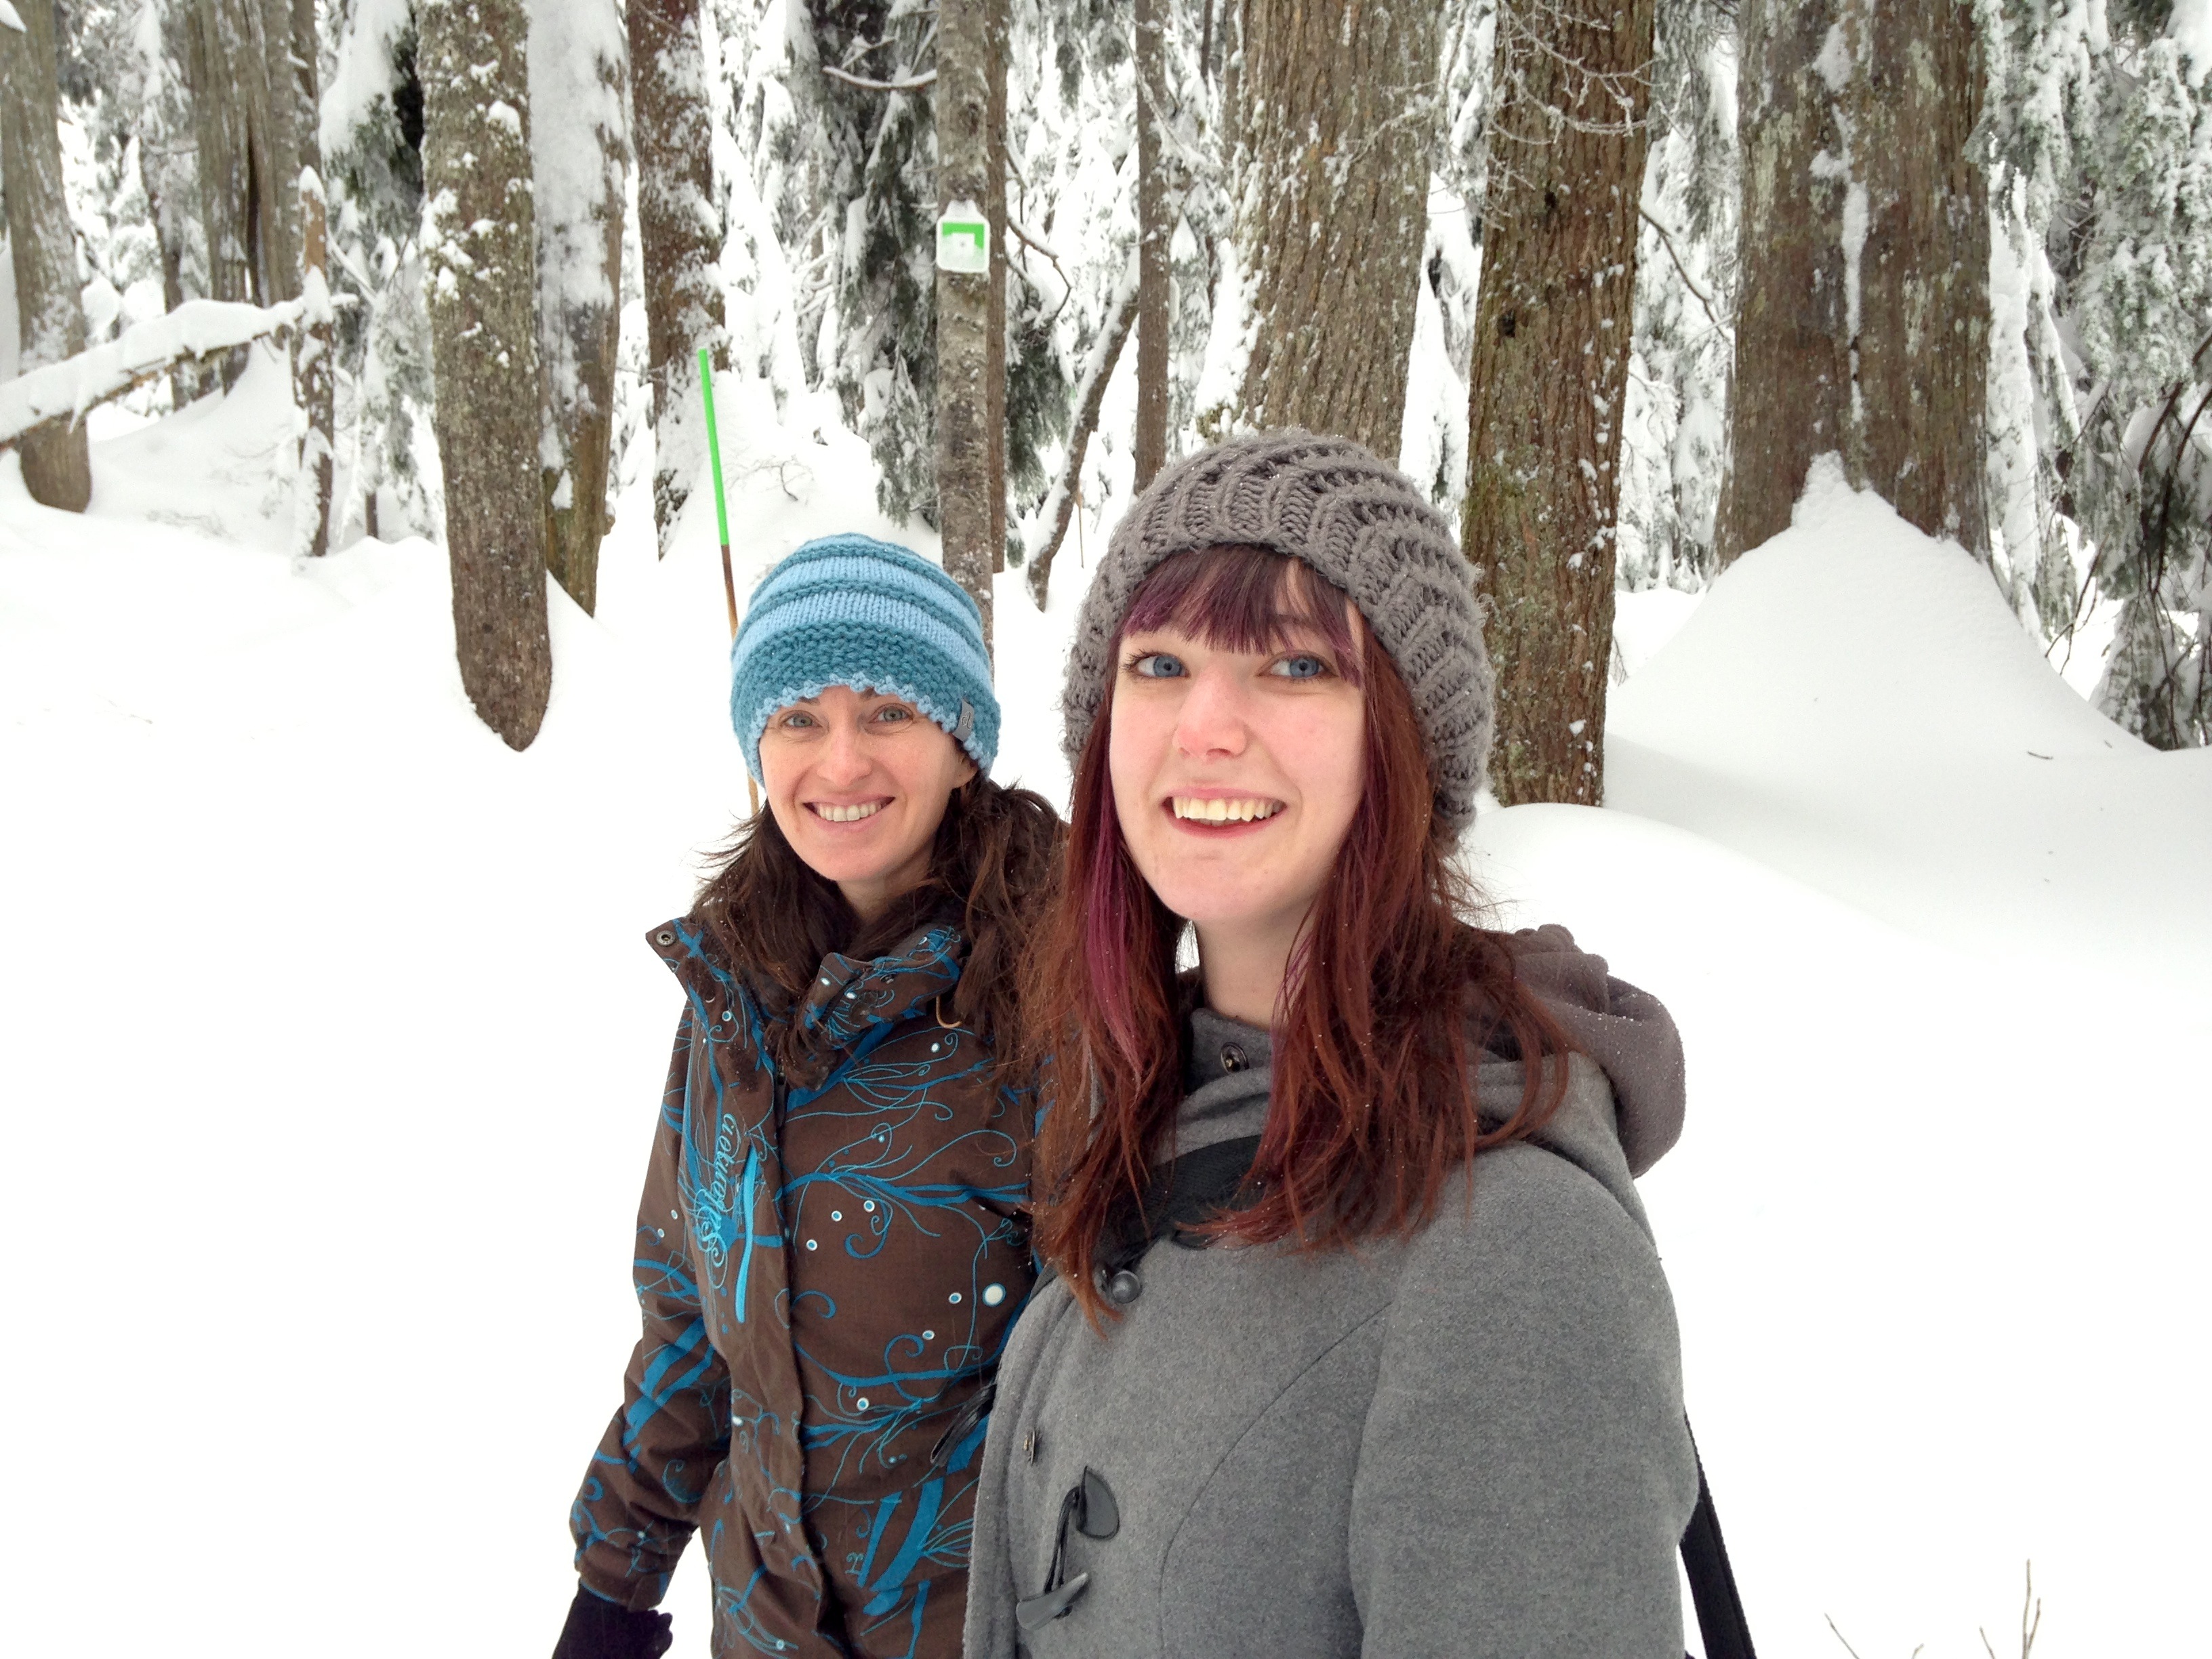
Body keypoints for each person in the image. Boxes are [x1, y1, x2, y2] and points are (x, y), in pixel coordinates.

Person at [963, 433, 1700, 1658]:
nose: (1207, 724)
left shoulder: (1507, 1259)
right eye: (1159, 663)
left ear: (1403, 747)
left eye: (1296, 665)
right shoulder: (1156, 1111)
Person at [555, 535, 1060, 1659]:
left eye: (887, 712)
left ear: (962, 744)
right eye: (797, 718)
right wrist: (615, 1584)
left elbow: (1114, 1387)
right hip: (766, 1630)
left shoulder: (1057, 994)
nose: (840, 763)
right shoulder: (732, 991)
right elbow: (691, 1312)